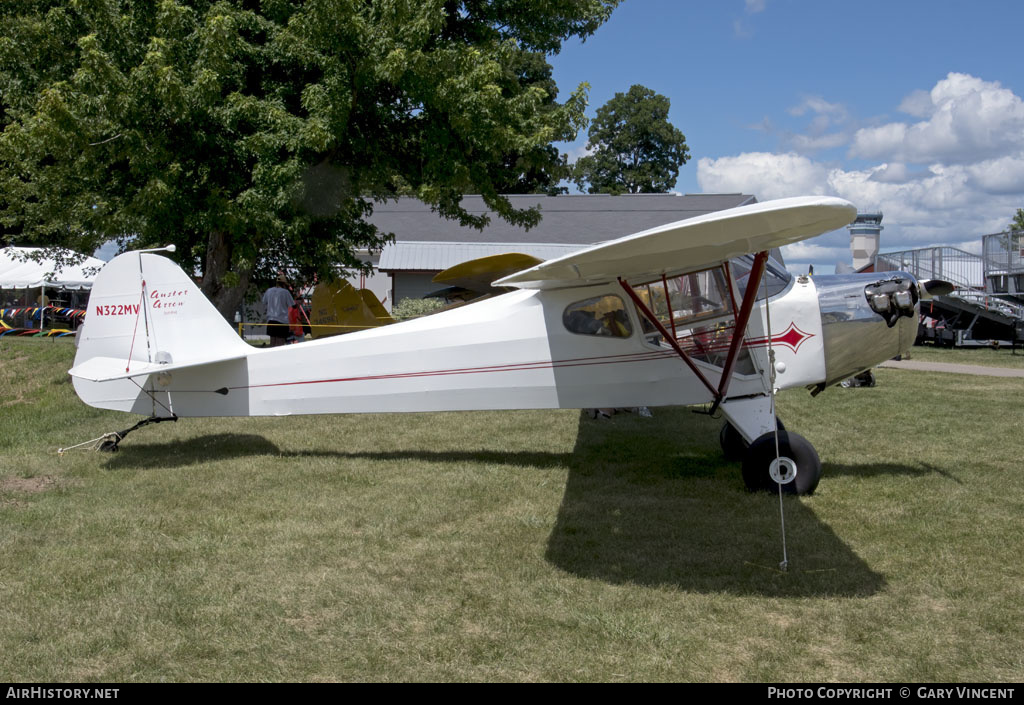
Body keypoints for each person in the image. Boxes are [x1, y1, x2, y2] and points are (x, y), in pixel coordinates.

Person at [262, 273, 294, 347]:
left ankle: (272, 357)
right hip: (282, 321)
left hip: (271, 320)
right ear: (284, 284)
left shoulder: (269, 291)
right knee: (280, 344)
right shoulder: (285, 292)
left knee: (272, 343)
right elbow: (292, 305)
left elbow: (264, 302)